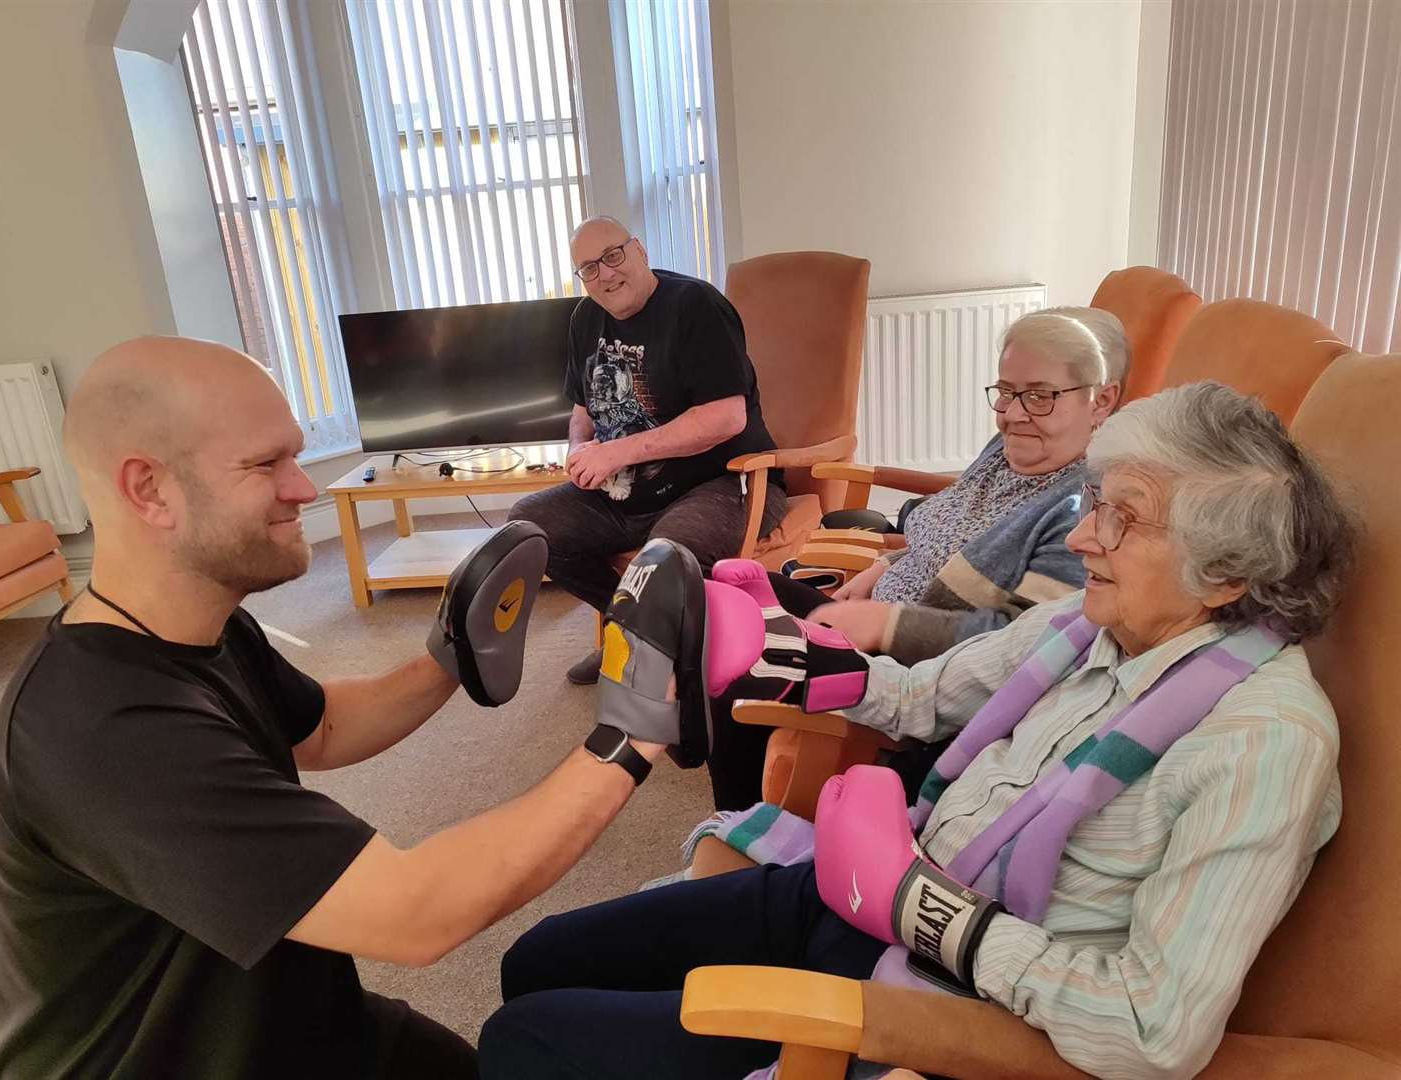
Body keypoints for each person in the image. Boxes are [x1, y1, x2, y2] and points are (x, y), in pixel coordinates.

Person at [477, 381, 1357, 1080]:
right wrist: (779, 651)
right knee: (537, 960)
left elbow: (1151, 1031)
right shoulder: (1090, 629)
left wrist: (918, 904)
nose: (1084, 536)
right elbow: (920, 695)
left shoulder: (1260, 744)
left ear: (1226, 572)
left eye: (1121, 518)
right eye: (1096, 502)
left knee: (527, 1039)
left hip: (934, 991)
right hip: (853, 897)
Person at [0, 337, 679, 1080]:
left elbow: (327, 726)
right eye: (265, 464)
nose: (305, 490)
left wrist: (445, 659)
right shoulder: (103, 731)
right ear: (148, 489)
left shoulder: (201, 624)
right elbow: (415, 913)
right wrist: (630, 734)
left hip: (290, 1023)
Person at [705, 306, 1129, 810]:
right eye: (1007, 391)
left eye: (1039, 396)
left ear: (1101, 401)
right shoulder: (1013, 445)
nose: (1013, 413)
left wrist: (885, 626)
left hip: (908, 669)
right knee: (721, 598)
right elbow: (950, 522)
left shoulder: (1083, 513)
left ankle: (741, 818)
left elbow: (1026, 649)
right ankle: (706, 747)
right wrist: (883, 567)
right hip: (877, 612)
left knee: (743, 666)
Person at [507, 215, 786, 685]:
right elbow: (582, 410)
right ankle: (632, 629)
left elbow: (726, 417)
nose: (605, 275)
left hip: (721, 480)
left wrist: (616, 454)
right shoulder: (584, 319)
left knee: (666, 554)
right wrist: (580, 452)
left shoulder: (695, 306)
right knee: (529, 527)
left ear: (640, 250)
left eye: (613, 256)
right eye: (589, 268)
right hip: (628, 491)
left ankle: (669, 656)